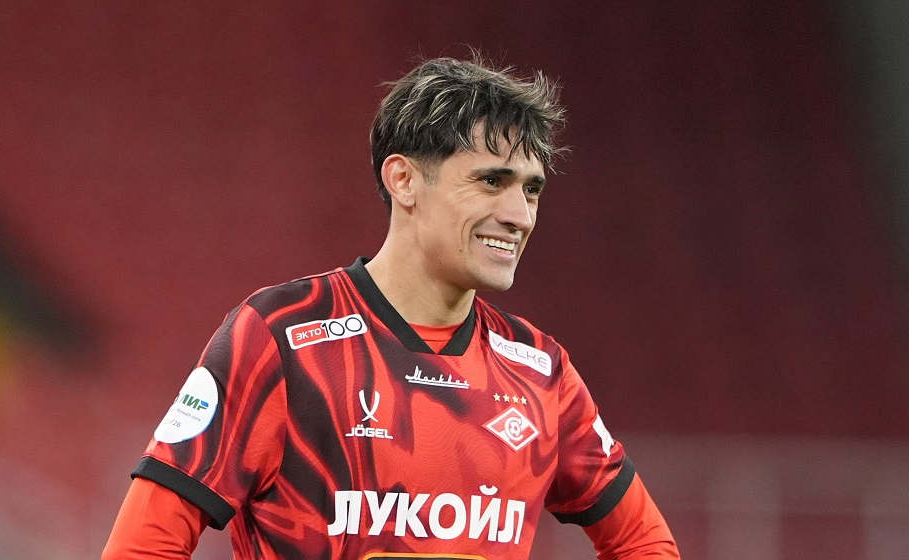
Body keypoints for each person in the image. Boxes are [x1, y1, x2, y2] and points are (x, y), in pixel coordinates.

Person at [103, 55, 680, 559]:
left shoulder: (539, 369)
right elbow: (142, 546)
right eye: (491, 181)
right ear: (403, 180)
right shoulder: (282, 337)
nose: (519, 215)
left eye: (531, 189)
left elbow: (644, 543)